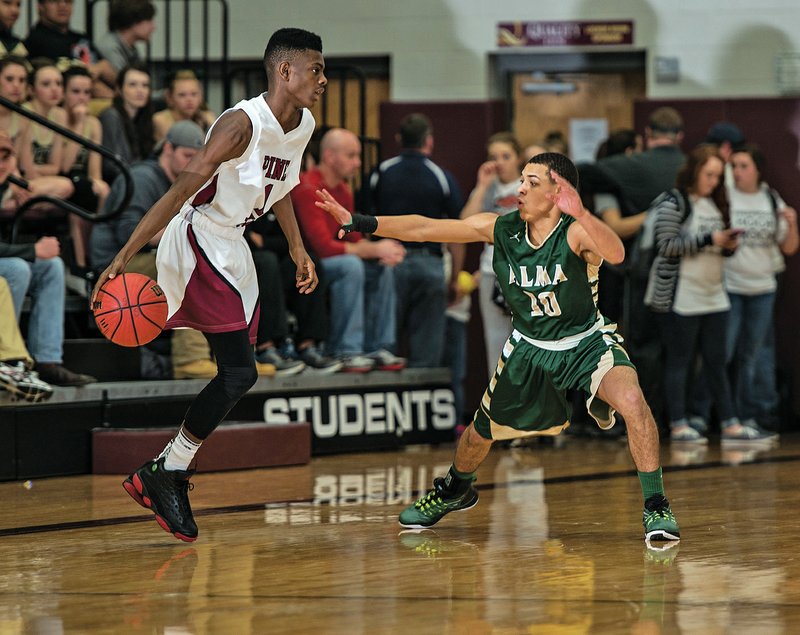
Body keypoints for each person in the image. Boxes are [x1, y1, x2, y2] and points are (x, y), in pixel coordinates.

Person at [316, 151, 681, 544]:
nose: (520, 188)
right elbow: (424, 228)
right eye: (522, 179)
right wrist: (362, 222)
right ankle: (455, 488)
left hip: (585, 342)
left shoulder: (575, 232)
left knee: (632, 400)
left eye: (532, 182)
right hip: (529, 346)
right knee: (477, 435)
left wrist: (584, 213)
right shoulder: (500, 228)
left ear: (558, 193)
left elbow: (617, 253)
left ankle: (655, 504)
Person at [91, 27, 326, 542]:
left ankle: (166, 470)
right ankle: (167, 471)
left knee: (241, 375)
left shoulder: (302, 122)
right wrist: (127, 255)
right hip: (197, 239)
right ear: (285, 71)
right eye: (316, 69)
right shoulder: (240, 125)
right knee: (240, 373)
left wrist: (296, 246)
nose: (323, 80)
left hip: (235, 244)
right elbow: (179, 191)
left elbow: (281, 183)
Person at [90, 121, 268, 380]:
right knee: (193, 263)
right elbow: (127, 232)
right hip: (118, 263)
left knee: (225, 265)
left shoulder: (189, 181)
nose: (192, 163)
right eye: (187, 155)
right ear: (168, 149)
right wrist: (188, 234)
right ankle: (190, 358)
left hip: (156, 256)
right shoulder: (143, 177)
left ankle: (236, 358)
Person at [644, 144, 764, 443]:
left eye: (717, 176)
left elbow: (714, 246)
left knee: (716, 361)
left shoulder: (717, 203)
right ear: (694, 171)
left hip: (714, 293)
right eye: (709, 175)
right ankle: (678, 422)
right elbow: (667, 245)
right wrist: (711, 238)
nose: (714, 181)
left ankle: (729, 422)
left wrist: (728, 246)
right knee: (679, 360)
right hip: (680, 295)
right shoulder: (675, 201)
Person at [292, 127, 406, 371]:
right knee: (351, 265)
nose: (358, 163)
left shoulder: (343, 190)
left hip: (331, 260)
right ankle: (346, 349)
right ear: (330, 156)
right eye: (351, 155)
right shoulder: (307, 187)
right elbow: (322, 248)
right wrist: (373, 249)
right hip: (307, 266)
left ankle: (379, 346)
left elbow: (352, 240)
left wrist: (382, 251)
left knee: (382, 266)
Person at [0, 130, 95, 387]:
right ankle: (7, 360)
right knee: (18, 269)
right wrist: (32, 251)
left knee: (51, 266)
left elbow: (65, 186)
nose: (1, 164)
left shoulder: (7, 186)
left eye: (5, 157)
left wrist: (23, 186)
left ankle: (47, 361)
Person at [368, 113, 463, 368]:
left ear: (399, 139)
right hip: (430, 265)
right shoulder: (441, 177)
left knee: (384, 347)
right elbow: (458, 232)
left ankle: (387, 399)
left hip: (389, 263)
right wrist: (454, 277)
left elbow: (364, 219)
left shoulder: (381, 172)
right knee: (428, 352)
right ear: (428, 141)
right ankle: (424, 399)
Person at [722, 144, 797, 432]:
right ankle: (717, 414)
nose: (738, 171)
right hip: (729, 284)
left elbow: (789, 247)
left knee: (752, 355)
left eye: (744, 166)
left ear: (757, 170)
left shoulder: (769, 197)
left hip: (763, 286)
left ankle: (752, 414)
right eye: (735, 166)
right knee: (723, 352)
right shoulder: (726, 194)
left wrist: (792, 224)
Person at [247, 210, 342, 374]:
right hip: (241, 263)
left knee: (307, 264)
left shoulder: (274, 197)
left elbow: (293, 241)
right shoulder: (239, 194)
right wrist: (266, 243)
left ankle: (308, 345)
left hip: (273, 264)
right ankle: (265, 347)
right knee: (267, 262)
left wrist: (264, 241)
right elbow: (247, 239)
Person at [460, 131, 522, 376]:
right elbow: (465, 222)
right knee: (495, 342)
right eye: (494, 156)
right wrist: (482, 185)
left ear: (518, 158)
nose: (500, 162)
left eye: (506, 155)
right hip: (491, 270)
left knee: (524, 341)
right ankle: (498, 407)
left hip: (524, 272)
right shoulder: (489, 189)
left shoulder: (528, 186)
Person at [59, 63, 110, 268]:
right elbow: (64, 165)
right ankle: (81, 266)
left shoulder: (94, 123)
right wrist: (79, 126)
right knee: (76, 207)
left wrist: (98, 184)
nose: (82, 98)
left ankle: (98, 256)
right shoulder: (58, 117)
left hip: (83, 181)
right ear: (63, 92)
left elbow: (95, 170)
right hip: (64, 177)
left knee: (103, 189)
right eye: (76, 92)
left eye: (87, 92)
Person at [24, 0, 116, 98]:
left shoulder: (80, 37)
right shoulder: (36, 40)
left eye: (68, 1)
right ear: (40, 6)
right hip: (69, 97)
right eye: (54, 2)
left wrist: (99, 68)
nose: (62, 5)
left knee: (105, 66)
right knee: (88, 83)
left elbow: (103, 67)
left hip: (96, 92)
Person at [98, 63, 155, 185]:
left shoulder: (144, 119)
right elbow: (111, 165)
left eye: (145, 85)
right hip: (119, 183)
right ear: (119, 89)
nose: (140, 90)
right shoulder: (110, 116)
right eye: (132, 85)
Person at [95, 0, 156, 78]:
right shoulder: (110, 47)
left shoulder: (129, 47)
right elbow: (126, 82)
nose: (153, 27)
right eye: (149, 20)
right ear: (134, 21)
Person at [152, 70, 216, 141]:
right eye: (182, 95)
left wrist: (212, 124)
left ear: (201, 97)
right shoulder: (160, 120)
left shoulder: (204, 119)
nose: (189, 100)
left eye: (194, 94)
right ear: (170, 98)